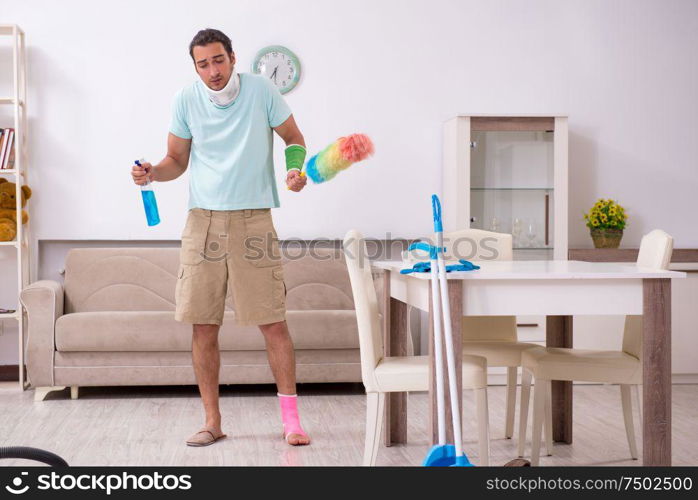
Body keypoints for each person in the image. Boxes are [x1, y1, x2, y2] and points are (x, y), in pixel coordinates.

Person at [131, 28, 310, 447]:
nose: (213, 70)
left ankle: (291, 421)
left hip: (254, 220)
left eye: (218, 60)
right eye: (203, 63)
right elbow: (177, 160)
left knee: (273, 324)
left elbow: (294, 139)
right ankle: (212, 420)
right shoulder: (185, 100)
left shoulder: (262, 90)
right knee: (203, 327)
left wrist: (294, 170)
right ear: (195, 66)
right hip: (203, 223)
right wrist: (153, 172)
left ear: (232, 57)